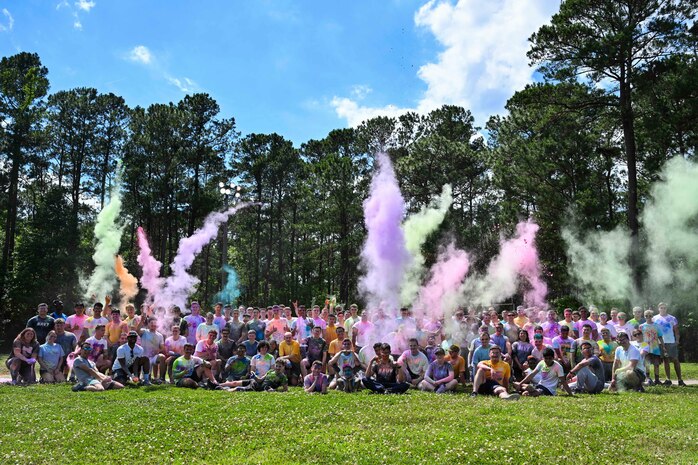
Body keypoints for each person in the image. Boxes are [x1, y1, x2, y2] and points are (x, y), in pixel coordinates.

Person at [654, 302, 684, 386]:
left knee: (675, 360)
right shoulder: (654, 318)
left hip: (671, 342)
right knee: (665, 360)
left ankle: (680, 380)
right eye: (661, 308)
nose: (663, 309)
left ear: (667, 308)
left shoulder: (672, 318)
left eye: (664, 308)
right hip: (660, 342)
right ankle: (668, 379)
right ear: (658, 308)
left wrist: (677, 340)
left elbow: (676, 331)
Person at [639, 310, 664, 385]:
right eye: (646, 315)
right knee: (647, 363)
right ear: (644, 316)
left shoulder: (656, 325)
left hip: (655, 347)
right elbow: (640, 337)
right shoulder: (642, 326)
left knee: (656, 364)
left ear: (652, 316)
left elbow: (660, 337)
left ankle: (657, 379)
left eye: (650, 316)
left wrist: (663, 346)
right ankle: (648, 378)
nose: (648, 317)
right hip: (645, 347)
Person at [139, 318, 166, 383]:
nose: (153, 324)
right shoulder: (144, 331)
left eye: (155, 323)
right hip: (145, 358)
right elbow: (137, 331)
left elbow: (162, 347)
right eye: (151, 323)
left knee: (162, 357)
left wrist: (158, 350)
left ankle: (161, 378)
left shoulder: (160, 335)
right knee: (147, 378)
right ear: (148, 324)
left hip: (154, 357)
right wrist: (141, 321)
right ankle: (149, 377)